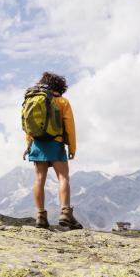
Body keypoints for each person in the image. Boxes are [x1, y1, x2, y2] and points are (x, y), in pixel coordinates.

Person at [24, 72, 83, 230]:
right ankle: (65, 212)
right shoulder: (63, 102)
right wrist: (72, 147)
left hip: (37, 143)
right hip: (56, 142)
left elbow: (28, 126)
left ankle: (41, 216)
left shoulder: (33, 99)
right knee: (63, 177)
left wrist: (29, 144)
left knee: (39, 179)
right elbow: (69, 126)